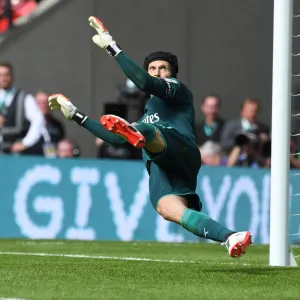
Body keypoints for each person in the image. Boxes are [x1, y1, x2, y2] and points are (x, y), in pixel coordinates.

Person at [48, 16, 252, 258]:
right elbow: (114, 140)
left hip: (181, 149)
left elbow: (144, 82)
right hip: (162, 170)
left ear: (172, 72)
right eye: (153, 68)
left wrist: (111, 47)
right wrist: (76, 115)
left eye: (162, 68)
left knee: (146, 131)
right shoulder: (148, 112)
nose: (158, 72)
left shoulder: (177, 91)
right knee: (170, 210)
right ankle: (230, 236)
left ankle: (137, 133)